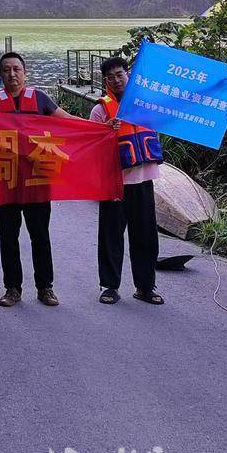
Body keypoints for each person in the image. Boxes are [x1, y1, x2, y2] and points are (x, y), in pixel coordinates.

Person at [0, 51, 79, 309]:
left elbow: (68, 122)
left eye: (16, 69)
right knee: (8, 237)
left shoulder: (40, 99)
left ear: (25, 73)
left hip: (37, 180)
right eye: (6, 70)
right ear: (0, 75)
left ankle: (45, 287)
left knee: (40, 236)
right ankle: (12, 288)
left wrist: (103, 127)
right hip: (6, 180)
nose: (11, 74)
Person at [91, 56, 164, 306]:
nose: (116, 80)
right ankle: (109, 286)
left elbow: (168, 120)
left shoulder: (145, 104)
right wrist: (106, 131)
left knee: (145, 236)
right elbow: (90, 147)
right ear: (105, 81)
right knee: (111, 235)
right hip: (114, 183)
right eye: (110, 76)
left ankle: (145, 286)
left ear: (128, 74)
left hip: (143, 180)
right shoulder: (100, 110)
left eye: (120, 74)